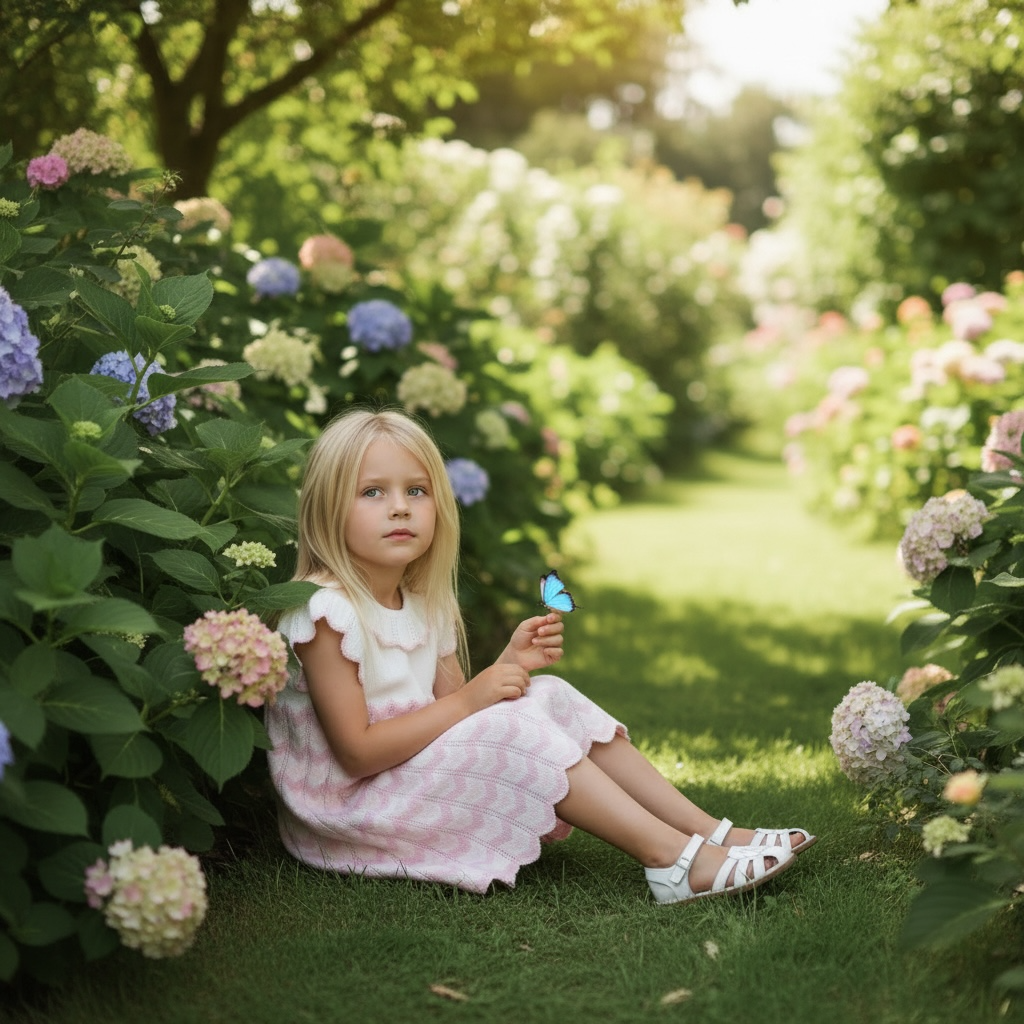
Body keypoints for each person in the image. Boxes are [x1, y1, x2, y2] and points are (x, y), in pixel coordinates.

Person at [265, 408, 816, 906]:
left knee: (548, 693)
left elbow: (452, 715)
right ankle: (672, 860)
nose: (399, 508)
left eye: (416, 491)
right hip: (355, 811)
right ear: (327, 509)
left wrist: (505, 667)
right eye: (372, 492)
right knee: (510, 726)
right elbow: (358, 754)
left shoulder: (424, 603)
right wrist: (475, 699)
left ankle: (713, 834)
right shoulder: (324, 611)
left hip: (404, 777)